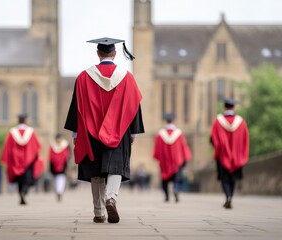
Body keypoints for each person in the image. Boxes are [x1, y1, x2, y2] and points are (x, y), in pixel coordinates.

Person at [64, 37, 144, 224]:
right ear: (115, 54)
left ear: (98, 53)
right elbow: (134, 106)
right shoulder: (127, 77)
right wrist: (132, 132)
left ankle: (99, 212)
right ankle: (111, 198)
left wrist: (76, 134)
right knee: (115, 166)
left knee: (96, 171)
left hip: (91, 132)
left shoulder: (83, 77)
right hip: (120, 130)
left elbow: (77, 107)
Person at [210, 99, 249, 209]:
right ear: (234, 107)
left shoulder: (218, 121)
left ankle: (227, 197)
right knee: (233, 178)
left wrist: (218, 148)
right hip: (237, 156)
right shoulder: (241, 122)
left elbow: (212, 138)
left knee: (224, 178)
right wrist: (241, 153)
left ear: (224, 107)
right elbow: (245, 140)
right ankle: (231, 196)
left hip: (222, 156)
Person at [1, 113, 42, 205]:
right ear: (26, 121)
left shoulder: (12, 132)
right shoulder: (31, 132)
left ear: (18, 121)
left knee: (19, 180)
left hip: (15, 161)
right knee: (27, 180)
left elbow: (8, 148)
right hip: (28, 160)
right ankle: (24, 192)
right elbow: (36, 147)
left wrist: (10, 159)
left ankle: (20, 194)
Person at [153, 113, 192, 203]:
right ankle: (176, 190)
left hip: (164, 162)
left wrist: (159, 158)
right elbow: (184, 147)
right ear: (173, 121)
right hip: (176, 161)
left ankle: (167, 196)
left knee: (164, 180)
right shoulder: (179, 134)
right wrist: (184, 159)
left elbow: (157, 149)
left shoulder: (160, 134)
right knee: (177, 178)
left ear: (166, 121)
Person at [48, 133, 70, 202]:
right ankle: (59, 191)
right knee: (61, 178)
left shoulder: (52, 145)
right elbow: (68, 155)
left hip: (54, 165)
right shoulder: (65, 145)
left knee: (57, 179)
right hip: (63, 165)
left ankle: (58, 191)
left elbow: (50, 156)